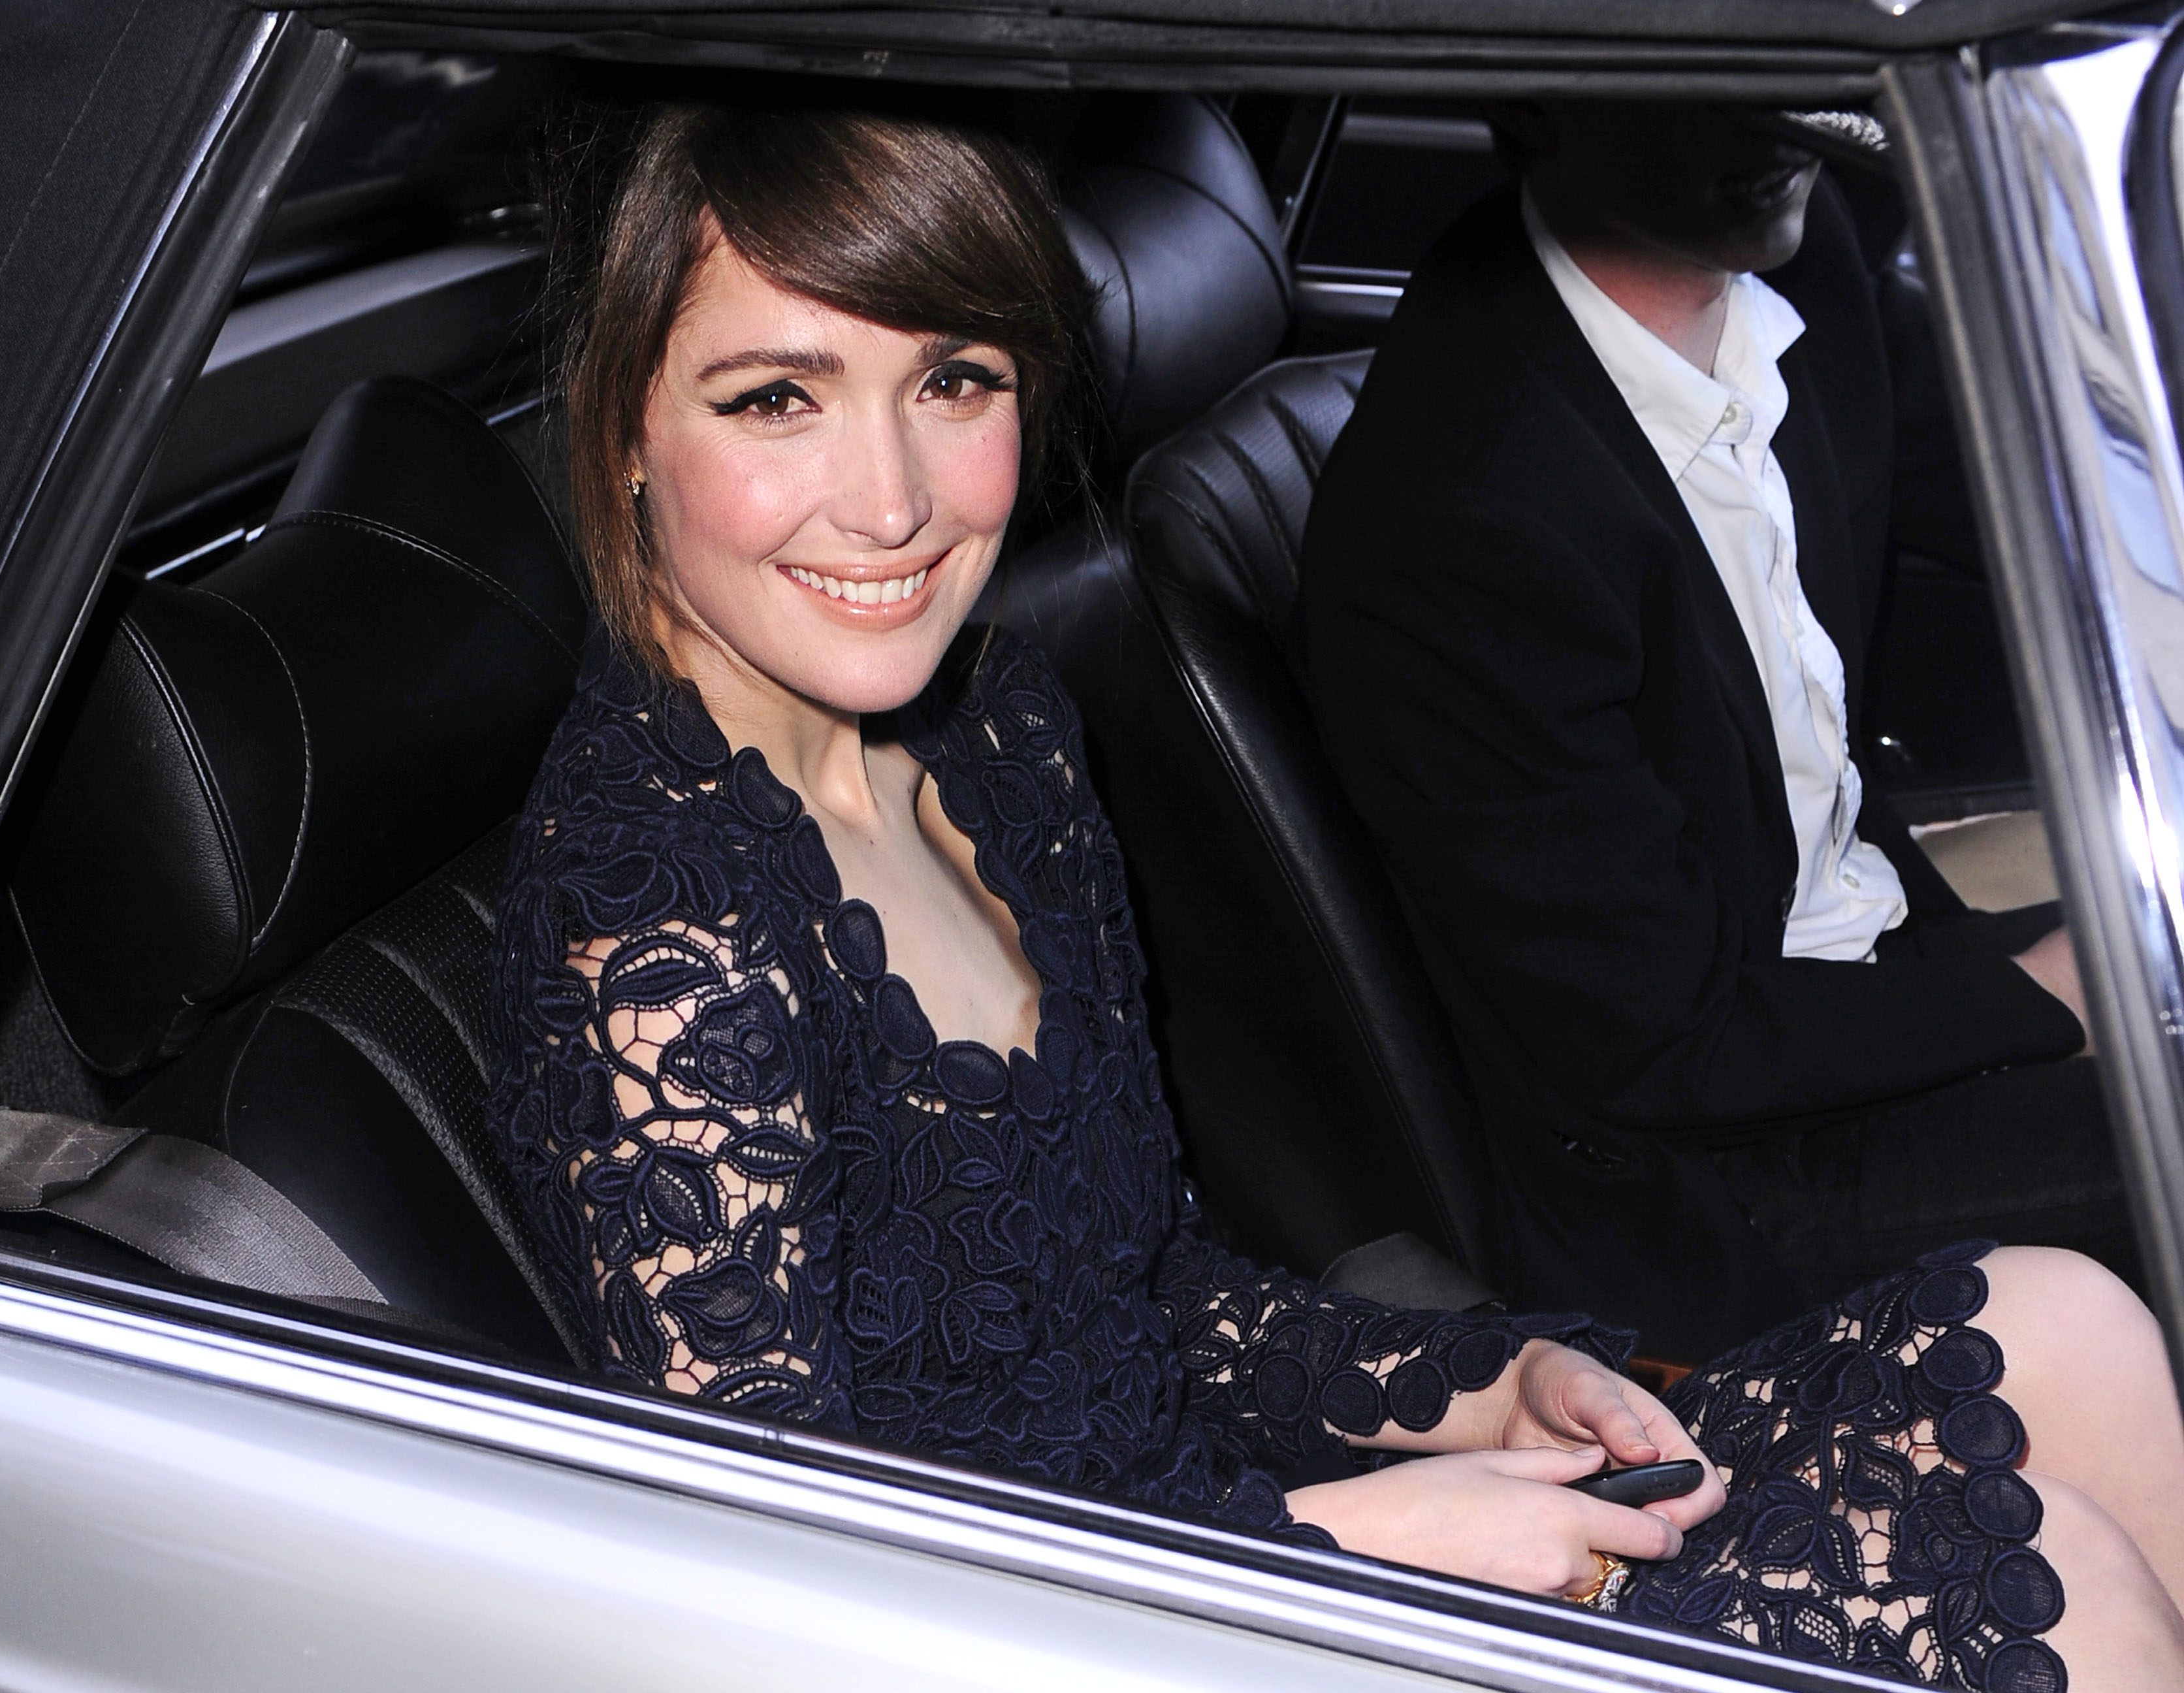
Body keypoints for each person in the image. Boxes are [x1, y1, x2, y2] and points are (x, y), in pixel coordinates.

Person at [483, 97, 2184, 1690]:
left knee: (2069, 1328)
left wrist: (1478, 1389)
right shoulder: (659, 935)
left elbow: (1154, 1293)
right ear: (623, 425)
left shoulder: (996, 741)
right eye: (775, 399)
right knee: (2056, 1580)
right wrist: (1362, 1540)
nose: (893, 500)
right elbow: (805, 1586)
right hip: (1115, 1626)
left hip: (1229, 1518)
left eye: (954, 381)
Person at [1294, 102, 2136, 1359]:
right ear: (1536, 93)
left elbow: (2049, 507)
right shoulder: (1461, 516)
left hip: (1863, 966)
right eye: (1703, 56)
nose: (1777, 112)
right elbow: (1661, 1044)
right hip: (1721, 1176)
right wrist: (2049, 992)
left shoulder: (1806, 258)